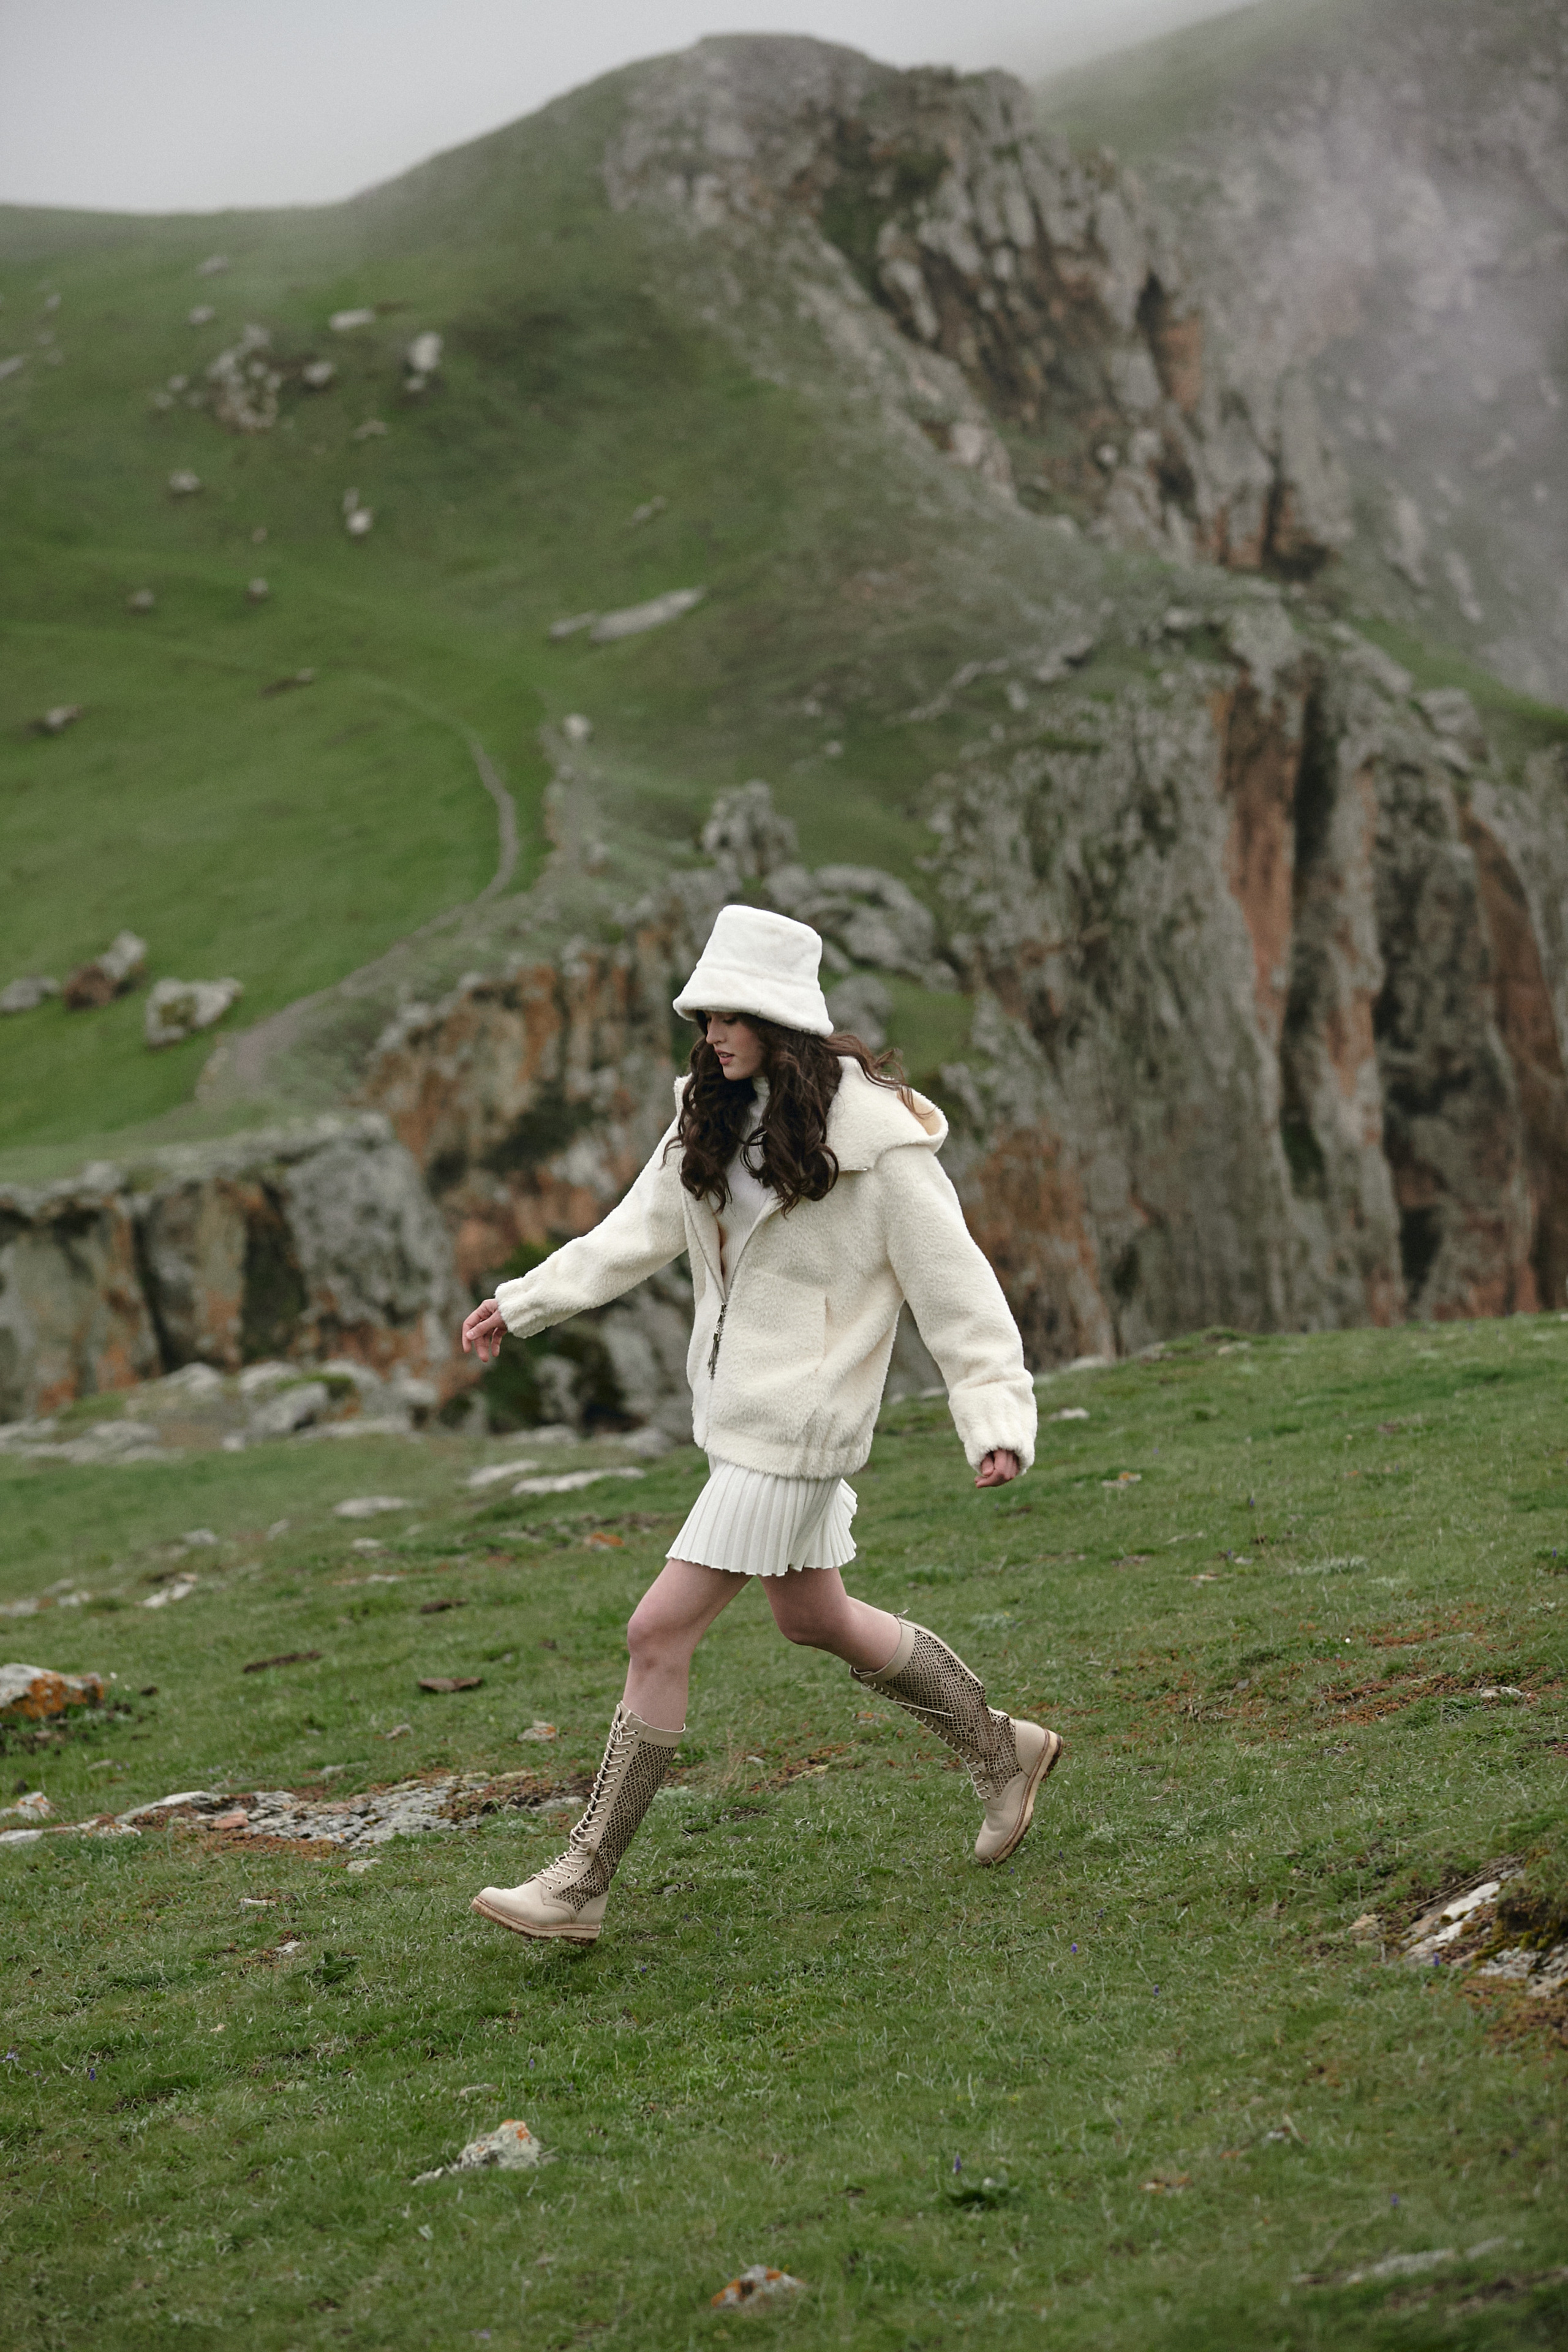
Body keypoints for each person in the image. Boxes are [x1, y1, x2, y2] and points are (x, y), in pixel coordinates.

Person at [460, 905, 1061, 1944]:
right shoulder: (708, 1115)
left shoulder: (878, 1146)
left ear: (784, 1020)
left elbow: (959, 1291)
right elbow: (631, 1234)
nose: (715, 1035)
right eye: (705, 1017)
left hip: (800, 1430)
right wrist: (523, 1303)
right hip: (737, 1425)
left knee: (657, 1632)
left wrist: (995, 1416)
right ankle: (1004, 1751)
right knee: (814, 1617)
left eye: (733, 1017)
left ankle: (582, 1882)